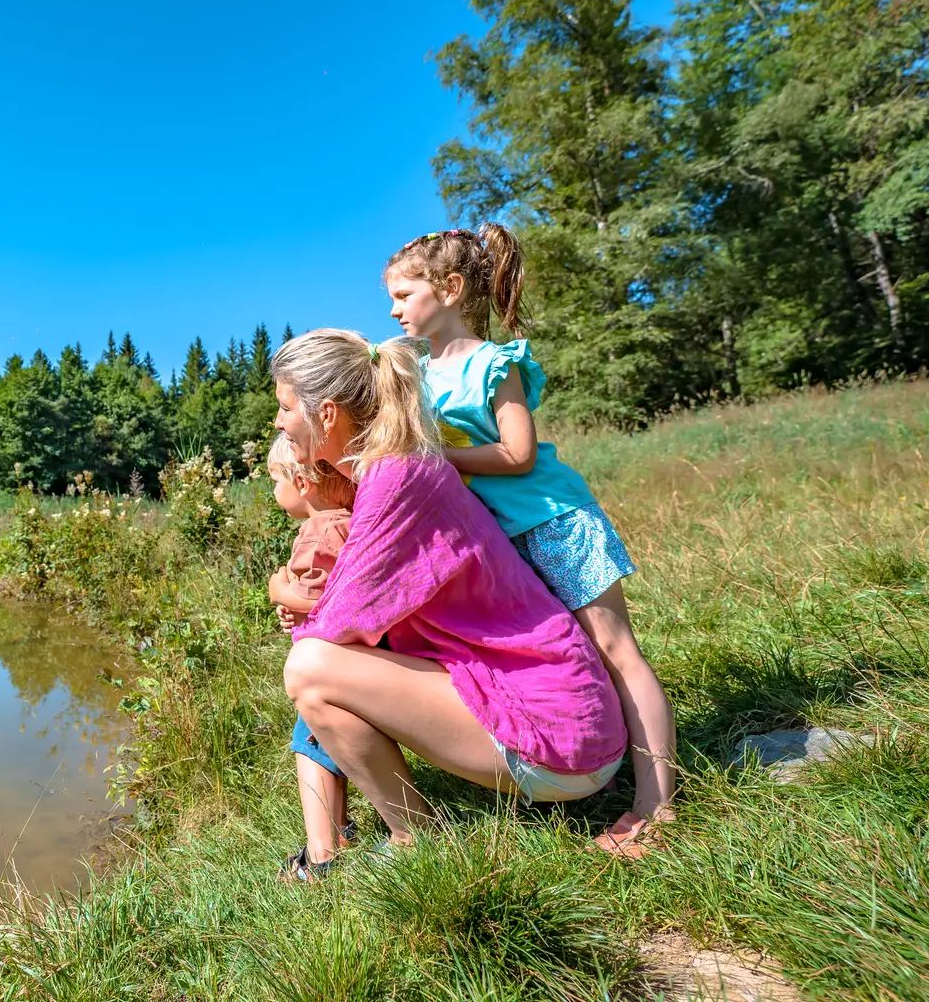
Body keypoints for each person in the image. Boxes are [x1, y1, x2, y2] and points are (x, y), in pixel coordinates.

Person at [382, 225, 679, 858]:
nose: (395, 308)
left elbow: (518, 454)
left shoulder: (493, 364)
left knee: (615, 648)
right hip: (498, 544)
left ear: (451, 289)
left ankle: (656, 804)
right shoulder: (421, 376)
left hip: (553, 522)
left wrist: (442, 459)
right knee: (569, 655)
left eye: (405, 294)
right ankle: (595, 766)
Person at [273, 328, 627, 853]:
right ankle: (369, 837)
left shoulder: (396, 478)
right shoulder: (400, 469)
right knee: (317, 663)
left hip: (558, 735)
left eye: (284, 408)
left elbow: (336, 624)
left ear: (326, 414)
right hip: (569, 724)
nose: (279, 422)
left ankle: (416, 839)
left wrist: (281, 590)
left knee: (309, 668)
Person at [263, 433, 358, 880]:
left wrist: (280, 591)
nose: (272, 490)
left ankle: (320, 860)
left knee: (311, 746)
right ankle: (339, 832)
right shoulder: (352, 520)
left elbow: (323, 597)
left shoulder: (319, 530)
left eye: (274, 480)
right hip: (353, 658)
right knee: (331, 747)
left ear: (302, 482)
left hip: (332, 664)